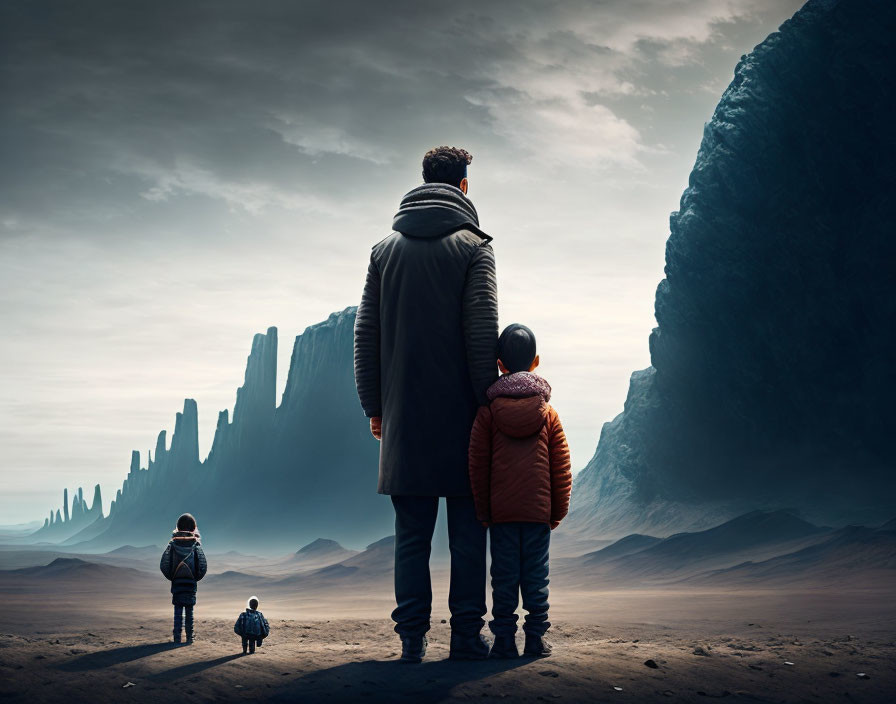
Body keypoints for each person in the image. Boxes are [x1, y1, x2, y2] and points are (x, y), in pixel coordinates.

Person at [354, 146, 499, 663]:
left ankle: (411, 640)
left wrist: (376, 407)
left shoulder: (383, 251)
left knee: (410, 536)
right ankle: (465, 638)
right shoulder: (474, 248)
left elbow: (365, 334)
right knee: (467, 534)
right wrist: (490, 407)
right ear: (463, 187)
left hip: (405, 419)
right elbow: (481, 335)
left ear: (423, 181)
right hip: (463, 417)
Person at [468, 324, 572, 658]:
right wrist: (557, 511)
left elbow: (477, 465)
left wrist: (483, 511)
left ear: (499, 363)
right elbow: (561, 467)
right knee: (536, 577)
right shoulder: (548, 415)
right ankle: (536, 640)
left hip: (502, 515)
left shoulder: (487, 414)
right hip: (538, 513)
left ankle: (503, 642)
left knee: (504, 577)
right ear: (536, 361)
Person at [159, 513, 207, 644]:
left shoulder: (172, 545)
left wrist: (173, 577)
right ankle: (189, 638)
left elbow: (164, 565)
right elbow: (203, 565)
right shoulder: (196, 546)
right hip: (191, 584)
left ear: (178, 528)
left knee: (178, 611)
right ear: (193, 528)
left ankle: (177, 638)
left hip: (177, 584)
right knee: (190, 611)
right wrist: (195, 578)